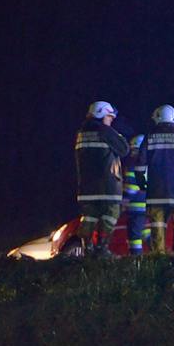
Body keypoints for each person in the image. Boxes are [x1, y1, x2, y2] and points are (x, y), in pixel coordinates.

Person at [74, 100, 129, 256]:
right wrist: (116, 133)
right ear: (102, 115)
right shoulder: (105, 131)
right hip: (107, 187)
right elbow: (124, 149)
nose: (111, 120)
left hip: (86, 187)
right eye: (109, 117)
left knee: (89, 217)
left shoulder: (81, 133)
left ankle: (87, 248)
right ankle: (102, 248)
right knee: (110, 216)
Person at [143, 105, 174, 253]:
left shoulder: (150, 136)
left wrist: (142, 183)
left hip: (155, 192)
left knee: (157, 227)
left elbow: (140, 163)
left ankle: (158, 258)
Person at [123, 134, 149, 255]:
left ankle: (136, 262)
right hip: (147, 207)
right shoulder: (149, 164)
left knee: (134, 238)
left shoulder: (133, 164)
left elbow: (131, 188)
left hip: (136, 209)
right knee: (146, 233)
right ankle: (160, 254)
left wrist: (123, 201)